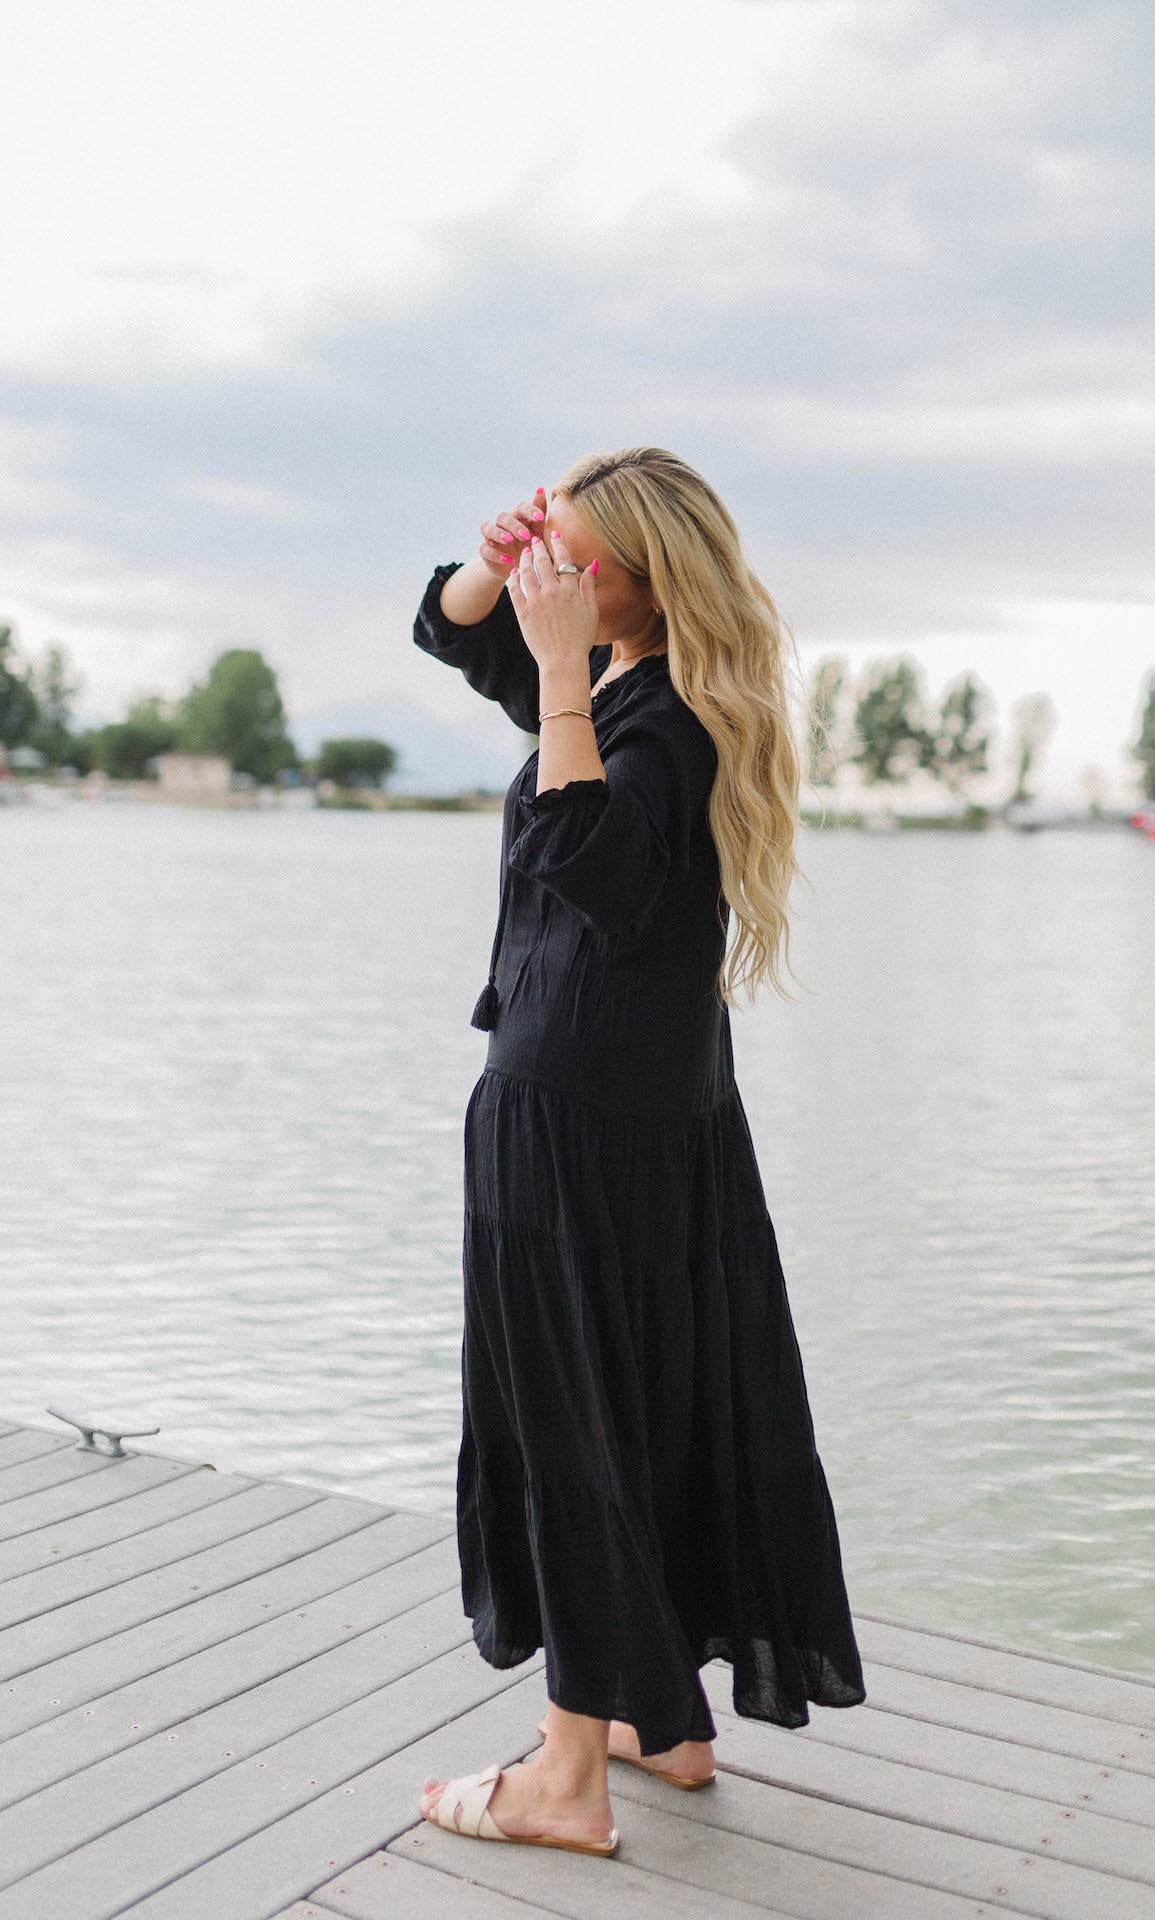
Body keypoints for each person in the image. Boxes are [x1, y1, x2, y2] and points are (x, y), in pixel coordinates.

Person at [414, 447, 865, 1858]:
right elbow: (446, 621)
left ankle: (564, 1779)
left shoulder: (653, 713)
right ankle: (657, 1719)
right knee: (643, 1404)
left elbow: (587, 861)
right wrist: (501, 564)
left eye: (576, 560)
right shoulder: (624, 680)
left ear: (642, 583)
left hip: (574, 1115)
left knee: (572, 1425)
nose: (552, 579)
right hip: (653, 1114)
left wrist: (554, 669)